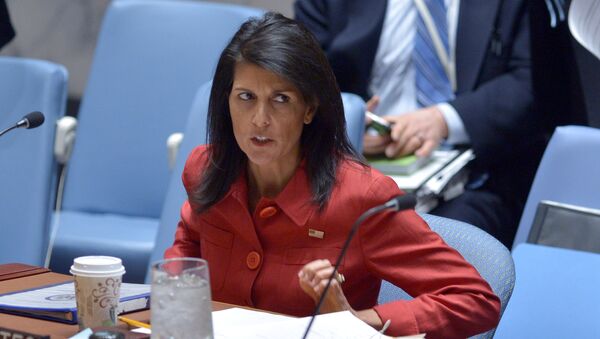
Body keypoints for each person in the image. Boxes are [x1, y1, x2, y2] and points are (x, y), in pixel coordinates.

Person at [165, 12, 500, 338]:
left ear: (309, 108)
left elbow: (474, 300)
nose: (259, 119)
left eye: (280, 99)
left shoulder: (362, 198)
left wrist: (356, 322)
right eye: (246, 98)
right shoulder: (207, 168)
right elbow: (185, 254)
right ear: (227, 102)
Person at [294, 0, 547, 247]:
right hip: (351, 167)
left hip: (471, 176)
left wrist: (443, 120)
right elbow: (301, 77)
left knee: (442, 252)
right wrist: (350, 126)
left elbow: (533, 84)